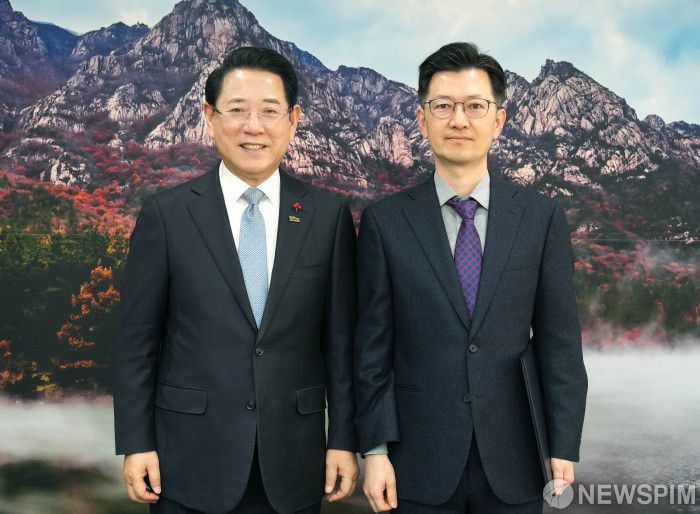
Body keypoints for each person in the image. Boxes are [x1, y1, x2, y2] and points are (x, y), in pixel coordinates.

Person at [113, 46, 358, 514]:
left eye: (270, 111)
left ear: (293, 120)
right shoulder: (167, 214)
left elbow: (341, 343)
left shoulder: (327, 217)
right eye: (238, 110)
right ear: (210, 116)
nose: (254, 127)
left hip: (295, 462)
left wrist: (343, 439)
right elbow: (136, 340)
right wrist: (136, 443)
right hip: (186, 460)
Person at [354, 42, 587, 514]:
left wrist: (563, 443)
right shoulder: (384, 222)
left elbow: (559, 341)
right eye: (443, 106)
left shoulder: (540, 218)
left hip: (518, 458)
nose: (459, 120)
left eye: (475, 106)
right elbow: (372, 348)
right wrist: (375, 451)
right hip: (415, 461)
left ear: (498, 121)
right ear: (422, 120)